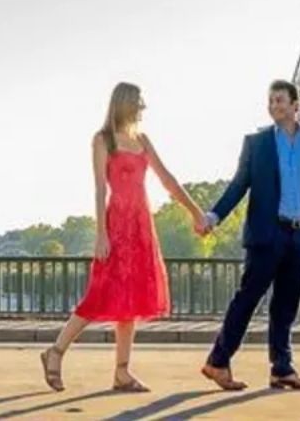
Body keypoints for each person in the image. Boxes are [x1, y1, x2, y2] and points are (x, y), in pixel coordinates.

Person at [39, 82, 206, 392]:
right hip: (117, 225)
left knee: (131, 300)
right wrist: (101, 234)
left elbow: (167, 179)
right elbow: (100, 189)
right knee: (99, 294)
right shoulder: (103, 140)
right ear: (126, 103)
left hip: (141, 226)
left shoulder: (142, 139)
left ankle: (121, 372)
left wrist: (195, 212)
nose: (143, 107)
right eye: (139, 101)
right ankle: (56, 351)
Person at [197, 79, 300, 391]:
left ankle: (282, 368)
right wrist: (214, 215)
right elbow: (239, 184)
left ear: (296, 105)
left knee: (286, 307)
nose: (274, 106)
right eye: (271, 101)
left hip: (299, 235)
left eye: (280, 100)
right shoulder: (258, 143)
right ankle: (218, 360)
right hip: (269, 234)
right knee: (248, 299)